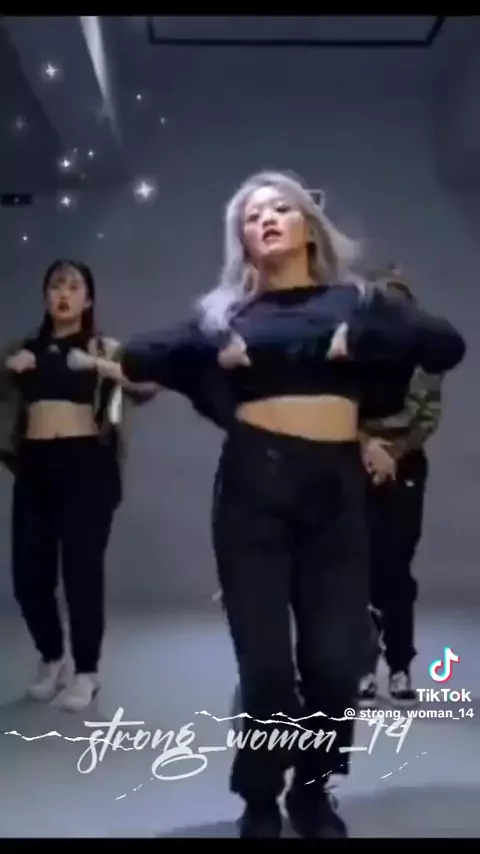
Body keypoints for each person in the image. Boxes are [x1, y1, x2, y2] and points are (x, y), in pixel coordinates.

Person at [78, 173, 465, 837]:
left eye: (281, 207)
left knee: (337, 664)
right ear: (242, 239)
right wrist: (211, 349)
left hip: (334, 490)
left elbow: (445, 344)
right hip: (253, 488)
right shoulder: (225, 314)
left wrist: (361, 344)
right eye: (252, 215)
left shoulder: (357, 301)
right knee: (266, 670)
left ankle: (312, 790)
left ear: (308, 225)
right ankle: (260, 797)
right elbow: (140, 356)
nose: (267, 218)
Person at [0, 260, 158, 711]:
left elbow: (148, 384)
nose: (64, 294)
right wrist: (8, 369)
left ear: (88, 299)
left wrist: (100, 366)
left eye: (74, 286)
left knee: (81, 574)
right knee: (29, 576)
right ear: (45, 295)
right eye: (56, 285)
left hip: (87, 468)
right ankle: (52, 659)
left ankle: (86, 672)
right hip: (35, 467)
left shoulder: (104, 347)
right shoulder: (24, 348)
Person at [359, 268, 443, 708]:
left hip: (406, 464)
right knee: (355, 569)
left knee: (395, 569)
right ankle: (361, 669)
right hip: (354, 462)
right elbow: (338, 409)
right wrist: (367, 446)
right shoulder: (353, 351)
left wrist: (394, 451)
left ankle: (399, 666)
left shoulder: (426, 357)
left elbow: (428, 417)